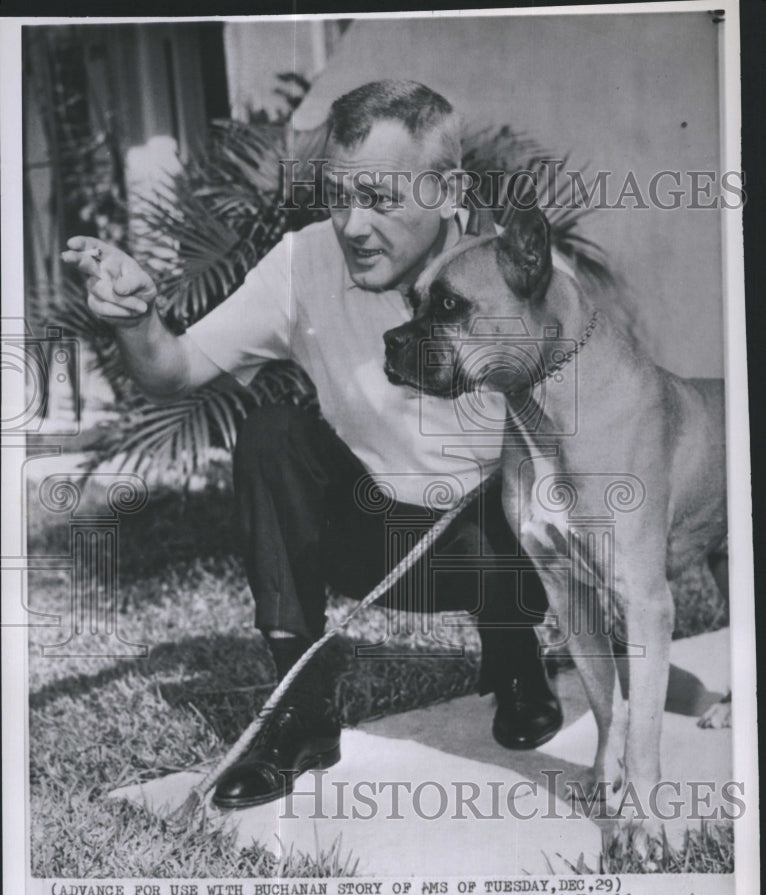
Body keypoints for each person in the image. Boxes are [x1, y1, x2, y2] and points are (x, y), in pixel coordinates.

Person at [63, 79, 563, 811]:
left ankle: (516, 655)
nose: (353, 225)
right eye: (337, 196)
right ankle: (300, 712)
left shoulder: (518, 281)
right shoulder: (304, 263)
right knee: (273, 433)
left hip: (501, 548)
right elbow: (174, 372)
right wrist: (136, 319)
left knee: (519, 473)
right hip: (375, 542)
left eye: (382, 199)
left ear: (448, 189)